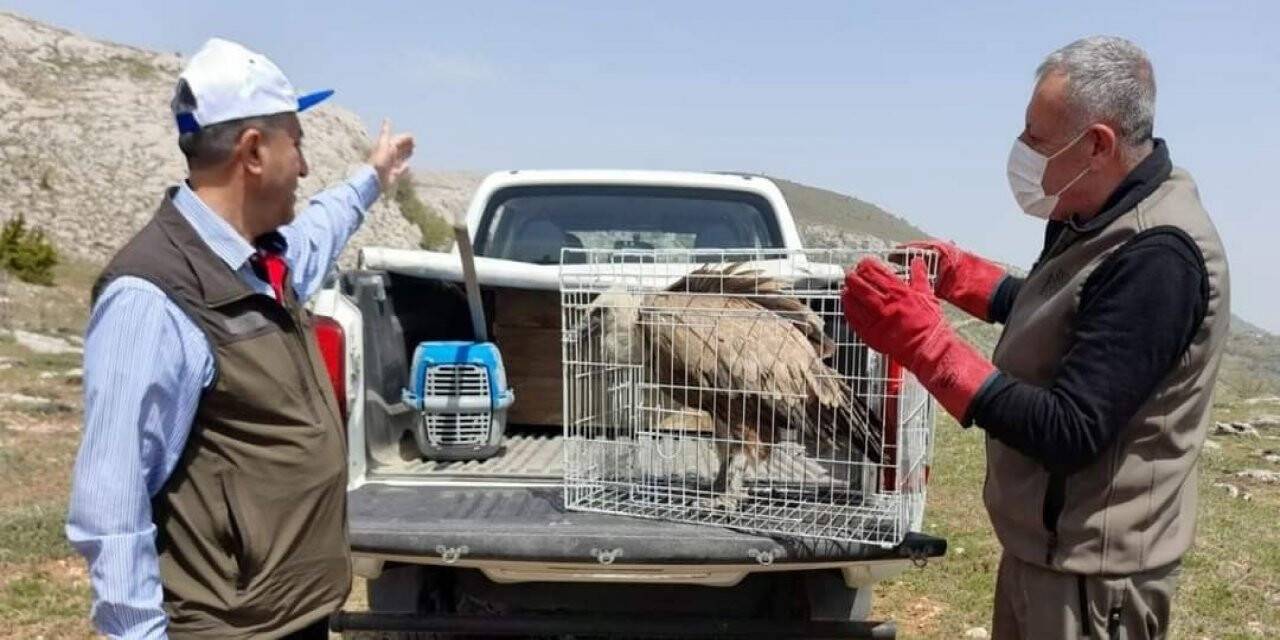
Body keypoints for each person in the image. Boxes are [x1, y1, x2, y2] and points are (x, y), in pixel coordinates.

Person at [841, 36, 1229, 639]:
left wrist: (925, 345)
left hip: (1093, 579)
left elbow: (1070, 430)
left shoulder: (1159, 257)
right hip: (1046, 552)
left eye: (1038, 139)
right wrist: (967, 279)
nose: (1022, 153)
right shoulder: (1095, 213)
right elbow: (1072, 313)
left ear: (1097, 144)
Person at [66, 38, 414, 638]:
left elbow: (321, 227)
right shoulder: (153, 297)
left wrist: (374, 177)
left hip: (288, 619)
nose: (304, 168)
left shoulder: (260, 261)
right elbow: (112, 504)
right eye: (297, 144)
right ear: (254, 151)